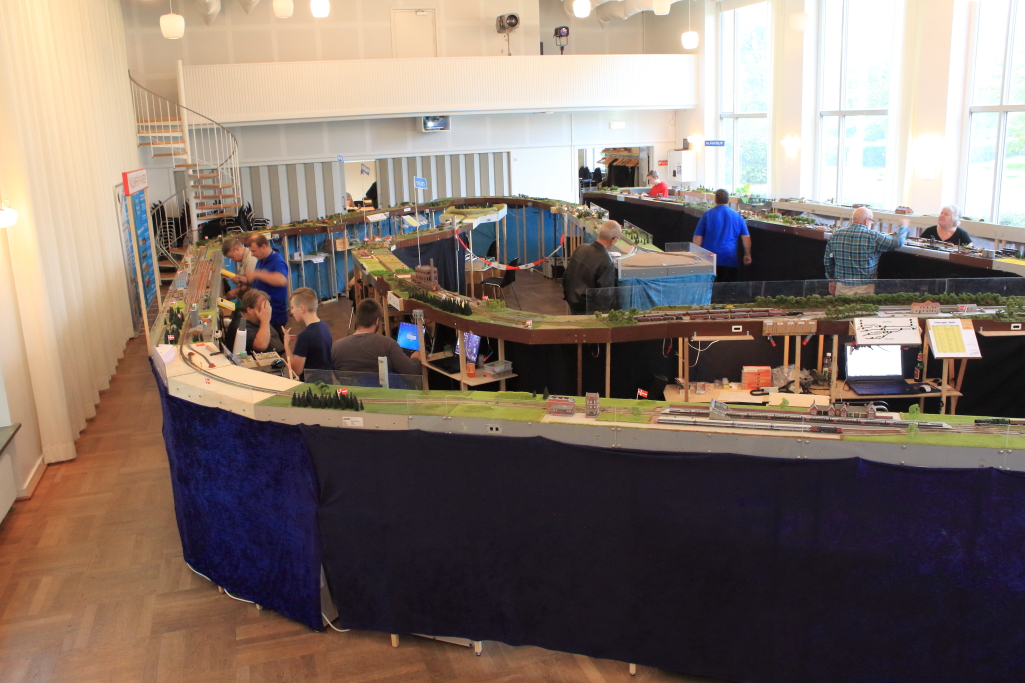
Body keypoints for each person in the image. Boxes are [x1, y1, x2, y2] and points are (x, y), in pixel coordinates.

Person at [824, 207, 907, 296]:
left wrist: (831, 280)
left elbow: (828, 260)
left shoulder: (836, 235)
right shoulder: (873, 236)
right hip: (864, 288)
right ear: (867, 221)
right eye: (872, 221)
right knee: (864, 305)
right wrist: (904, 227)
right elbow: (897, 242)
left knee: (842, 305)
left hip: (841, 287)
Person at [331, 299, 422, 375]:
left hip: (349, 391)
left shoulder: (336, 347)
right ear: (377, 321)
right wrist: (415, 358)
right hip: (384, 391)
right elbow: (412, 372)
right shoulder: (388, 344)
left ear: (357, 319)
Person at [231, 233, 289, 338]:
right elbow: (258, 282)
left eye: (253, 251)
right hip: (261, 314)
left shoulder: (278, 262)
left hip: (274, 315)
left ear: (263, 247)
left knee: (275, 343)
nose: (252, 254)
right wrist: (243, 280)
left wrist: (258, 273)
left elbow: (281, 280)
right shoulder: (261, 260)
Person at [562, 220, 622, 315]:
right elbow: (605, 294)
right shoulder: (606, 261)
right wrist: (601, 316)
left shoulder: (581, 248)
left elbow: (566, 275)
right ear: (613, 239)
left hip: (573, 301)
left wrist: (568, 297)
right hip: (589, 309)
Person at [693, 189, 752, 282]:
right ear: (728, 199)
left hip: (708, 258)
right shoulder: (737, 216)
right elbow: (746, 238)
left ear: (715, 198)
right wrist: (747, 254)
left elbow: (697, 237)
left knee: (709, 287)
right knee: (726, 288)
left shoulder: (707, 215)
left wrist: (695, 254)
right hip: (729, 258)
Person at [283, 287, 332, 379]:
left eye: (293, 307)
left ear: (302, 308)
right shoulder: (324, 326)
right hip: (327, 380)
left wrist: (286, 344)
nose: (291, 311)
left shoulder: (304, 336)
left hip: (311, 383)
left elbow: (296, 370)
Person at [232, 289, 284, 355]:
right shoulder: (241, 326)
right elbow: (261, 346)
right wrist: (265, 321)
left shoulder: (256, 319)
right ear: (250, 310)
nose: (266, 311)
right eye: (261, 308)